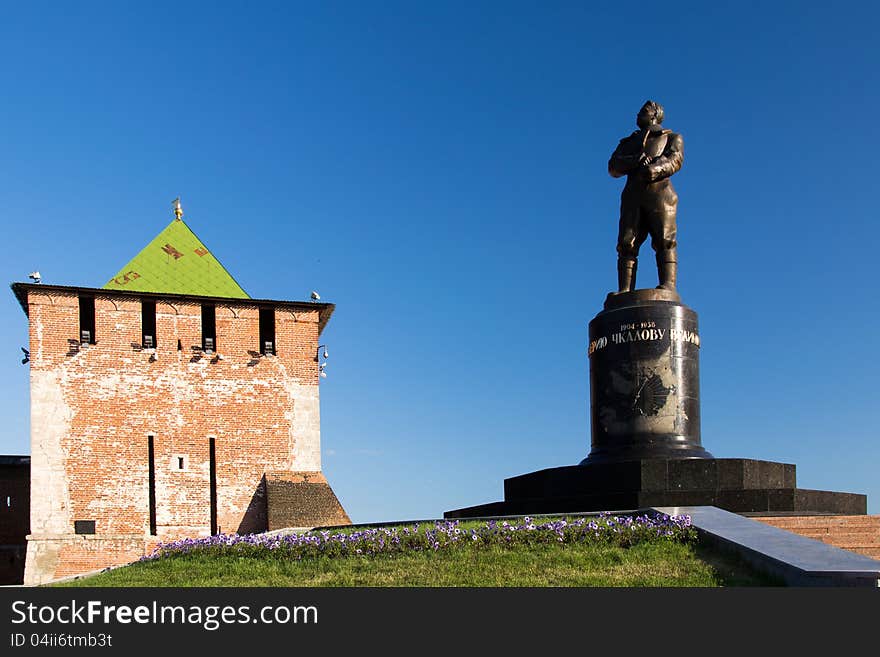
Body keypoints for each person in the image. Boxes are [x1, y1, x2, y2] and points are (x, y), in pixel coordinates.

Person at [608, 100, 683, 292]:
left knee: (664, 239)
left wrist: (655, 169)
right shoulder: (628, 143)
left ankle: (668, 285)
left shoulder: (671, 138)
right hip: (633, 196)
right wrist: (636, 160)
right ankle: (625, 290)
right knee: (626, 243)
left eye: (644, 111)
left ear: (655, 114)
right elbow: (613, 166)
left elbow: (675, 159)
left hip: (660, 195)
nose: (638, 114)